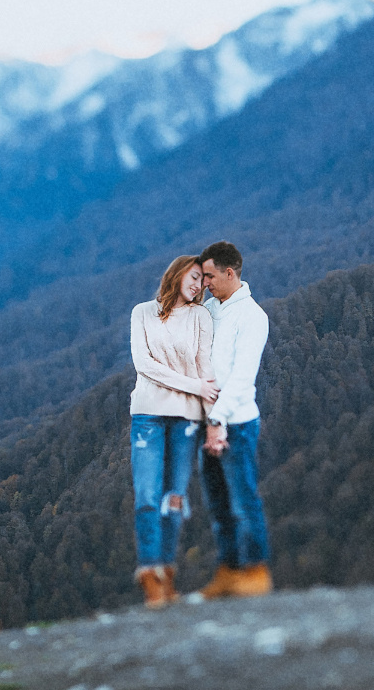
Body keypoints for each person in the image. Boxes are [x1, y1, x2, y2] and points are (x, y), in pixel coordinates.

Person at [130, 254, 219, 607]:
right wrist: (193, 386)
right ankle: (150, 573)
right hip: (148, 415)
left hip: (187, 418)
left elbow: (205, 367)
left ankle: (167, 574)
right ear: (178, 273)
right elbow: (144, 364)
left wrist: (213, 421)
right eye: (194, 276)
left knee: (174, 499)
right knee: (147, 498)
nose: (198, 285)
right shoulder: (142, 313)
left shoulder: (201, 316)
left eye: (202, 280)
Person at [199, 240, 272, 598]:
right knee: (218, 503)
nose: (205, 283)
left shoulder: (253, 317)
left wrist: (217, 418)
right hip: (206, 422)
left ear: (230, 273)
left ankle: (255, 573)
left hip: (237, 423)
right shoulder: (211, 310)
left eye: (210, 276)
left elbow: (242, 377)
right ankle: (229, 570)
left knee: (243, 499)